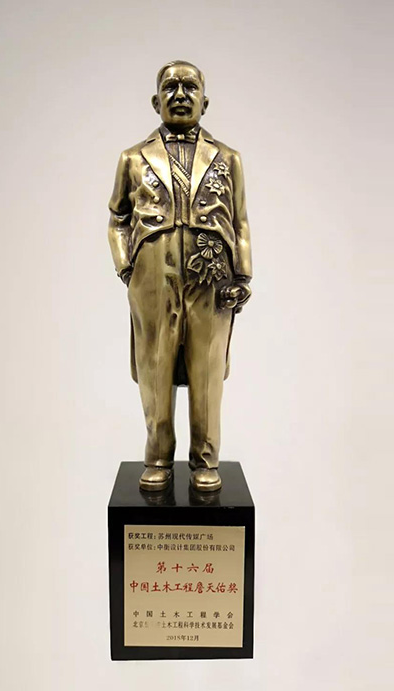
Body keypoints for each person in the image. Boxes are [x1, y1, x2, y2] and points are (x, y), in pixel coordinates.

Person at [107, 60, 253, 492]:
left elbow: (241, 221)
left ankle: (206, 459)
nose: (181, 95)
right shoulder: (132, 158)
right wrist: (127, 266)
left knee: (207, 366)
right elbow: (117, 217)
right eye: (170, 87)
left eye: (191, 87)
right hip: (153, 273)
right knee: (155, 364)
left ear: (205, 102)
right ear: (156, 102)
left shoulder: (228, 158)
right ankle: (157, 456)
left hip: (212, 275)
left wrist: (242, 274)